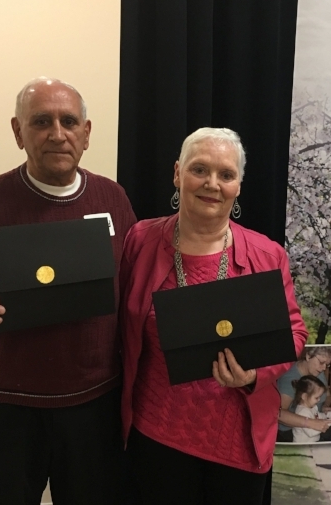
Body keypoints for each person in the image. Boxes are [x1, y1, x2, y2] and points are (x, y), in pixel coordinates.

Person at [0, 77, 137, 505]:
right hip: (6, 410)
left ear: (86, 134)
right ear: (18, 131)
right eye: (41, 121)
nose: (57, 133)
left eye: (69, 121)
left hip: (94, 408)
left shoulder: (113, 198)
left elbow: (133, 294)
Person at [120, 127, 308, 505]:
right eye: (199, 170)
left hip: (235, 443)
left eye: (226, 174)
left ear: (238, 185)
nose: (212, 184)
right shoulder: (140, 241)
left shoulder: (267, 255)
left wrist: (255, 373)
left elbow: (294, 333)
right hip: (156, 436)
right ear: (177, 173)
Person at [277, 346, 331, 442]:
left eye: (327, 365)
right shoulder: (288, 379)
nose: (323, 368)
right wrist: (311, 423)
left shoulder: (317, 370)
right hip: (292, 431)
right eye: (321, 362)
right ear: (308, 356)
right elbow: (279, 414)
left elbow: (328, 396)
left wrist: (324, 407)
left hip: (316, 419)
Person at [291, 375, 331, 443]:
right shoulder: (302, 413)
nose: (319, 400)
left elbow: (318, 416)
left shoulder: (312, 406)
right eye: (316, 398)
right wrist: (329, 423)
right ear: (304, 396)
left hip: (313, 441)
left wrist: (330, 415)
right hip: (303, 447)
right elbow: (311, 433)